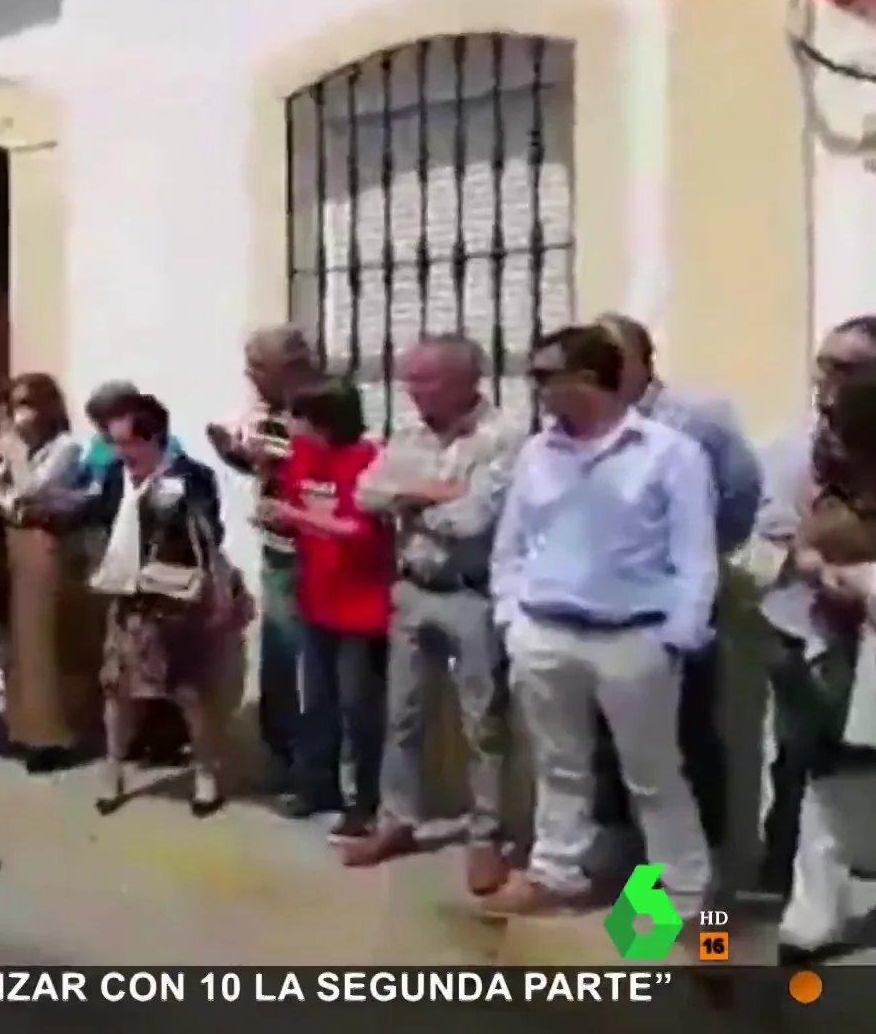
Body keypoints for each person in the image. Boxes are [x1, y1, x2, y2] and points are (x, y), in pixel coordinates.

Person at [485, 325, 716, 918]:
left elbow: (694, 555)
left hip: (634, 638)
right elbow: (512, 544)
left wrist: (676, 636)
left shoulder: (669, 453)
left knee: (653, 775)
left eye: (543, 376)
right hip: (545, 632)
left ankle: (681, 900)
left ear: (587, 379)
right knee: (559, 766)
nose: (534, 389)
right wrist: (513, 619)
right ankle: (554, 874)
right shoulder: (538, 453)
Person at [343, 336, 522, 895]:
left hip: (473, 593)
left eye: (426, 382)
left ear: (468, 380)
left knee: (483, 722)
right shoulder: (411, 434)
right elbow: (366, 491)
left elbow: (475, 518)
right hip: (413, 590)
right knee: (404, 715)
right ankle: (397, 820)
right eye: (409, 381)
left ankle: (487, 836)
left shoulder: (506, 436)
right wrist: (430, 491)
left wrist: (409, 502)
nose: (413, 393)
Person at [592, 312, 762, 865]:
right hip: (600, 608)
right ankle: (633, 874)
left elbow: (739, 499)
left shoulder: (695, 421)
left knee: (682, 743)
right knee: (612, 742)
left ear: (644, 363)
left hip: (670, 609)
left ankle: (693, 893)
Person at [47, 392, 234, 815]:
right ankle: (113, 769)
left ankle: (206, 773)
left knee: (188, 692)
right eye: (113, 442)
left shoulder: (190, 477)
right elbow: (93, 513)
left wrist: (177, 504)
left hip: (174, 602)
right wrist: (50, 504)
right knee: (116, 687)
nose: (117, 452)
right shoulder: (116, 477)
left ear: (153, 439)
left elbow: (209, 536)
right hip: (128, 595)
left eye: (125, 442)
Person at [747, 317, 876, 899]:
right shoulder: (793, 447)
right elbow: (763, 532)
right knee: (803, 760)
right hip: (802, 631)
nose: (827, 381)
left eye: (846, 369)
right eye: (824, 365)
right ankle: (793, 884)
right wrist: (805, 559)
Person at [773, 368, 876, 962]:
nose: (825, 429)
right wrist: (816, 565)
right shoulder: (829, 477)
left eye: (839, 418)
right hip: (831, 652)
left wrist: (860, 580)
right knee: (828, 782)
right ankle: (814, 914)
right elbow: (799, 540)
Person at [265, 377, 392, 837]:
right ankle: (315, 785)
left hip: (363, 606)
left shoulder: (367, 461)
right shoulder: (301, 457)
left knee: (361, 706)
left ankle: (367, 800)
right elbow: (296, 506)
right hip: (317, 596)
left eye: (300, 417)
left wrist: (298, 517)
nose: (292, 424)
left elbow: (361, 529)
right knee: (317, 699)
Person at [207, 326, 321, 794]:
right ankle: (281, 754)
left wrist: (262, 455)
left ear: (289, 368)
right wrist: (234, 453)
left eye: (259, 368)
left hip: (316, 553)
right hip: (278, 548)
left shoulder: (322, 406)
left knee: (310, 663)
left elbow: (319, 468)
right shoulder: (269, 409)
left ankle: (313, 764)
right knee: (278, 656)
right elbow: (268, 467)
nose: (250, 377)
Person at [0, 374, 98, 774]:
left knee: (46, 645)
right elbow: (6, 502)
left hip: (48, 551)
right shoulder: (22, 449)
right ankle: (25, 729)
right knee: (20, 646)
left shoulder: (66, 449)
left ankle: (56, 736)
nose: (18, 414)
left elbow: (32, 494)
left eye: (25, 404)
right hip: (17, 546)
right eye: (14, 405)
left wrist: (13, 455)